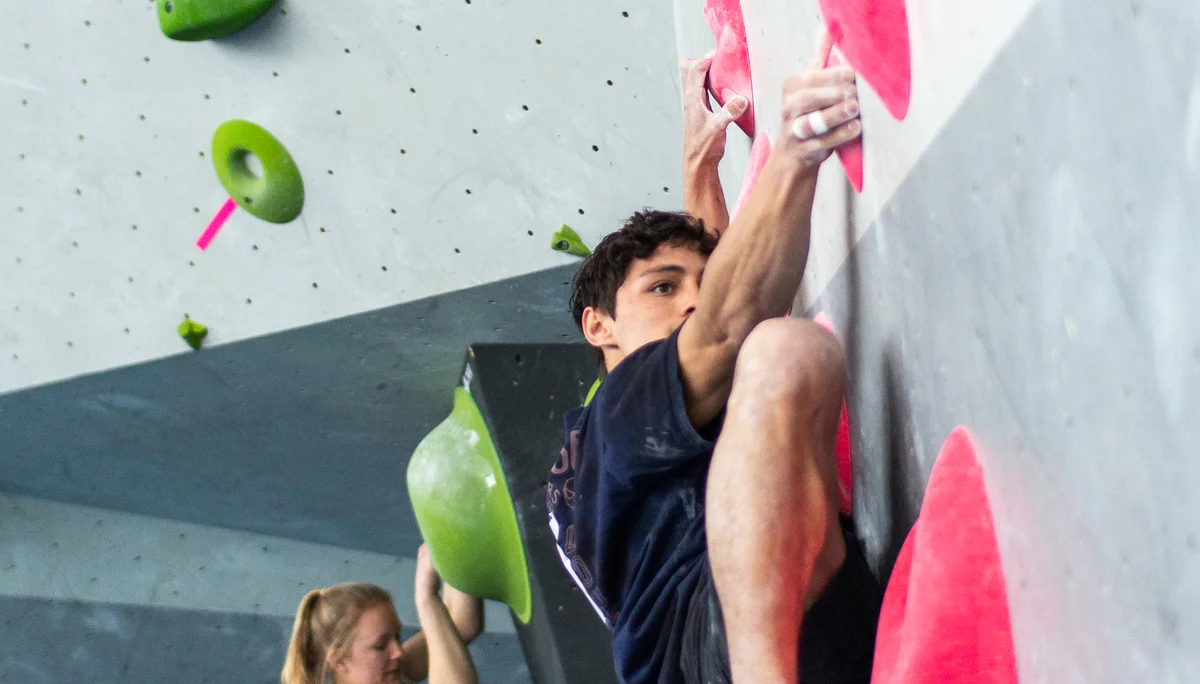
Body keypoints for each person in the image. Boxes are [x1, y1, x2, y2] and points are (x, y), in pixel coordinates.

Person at [545, 37, 883, 684]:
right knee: (785, 351)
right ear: (598, 326)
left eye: (699, 280)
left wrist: (701, 172)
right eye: (662, 288)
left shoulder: (616, 455)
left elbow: (719, 310)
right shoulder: (616, 417)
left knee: (784, 359)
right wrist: (795, 150)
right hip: (709, 657)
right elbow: (728, 326)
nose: (690, 302)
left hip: (812, 628)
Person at [282, 545, 483, 684]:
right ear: (338, 660)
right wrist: (426, 600)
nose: (399, 652)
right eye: (380, 646)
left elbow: (456, 625)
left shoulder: (386, 673)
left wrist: (451, 538)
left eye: (397, 637)